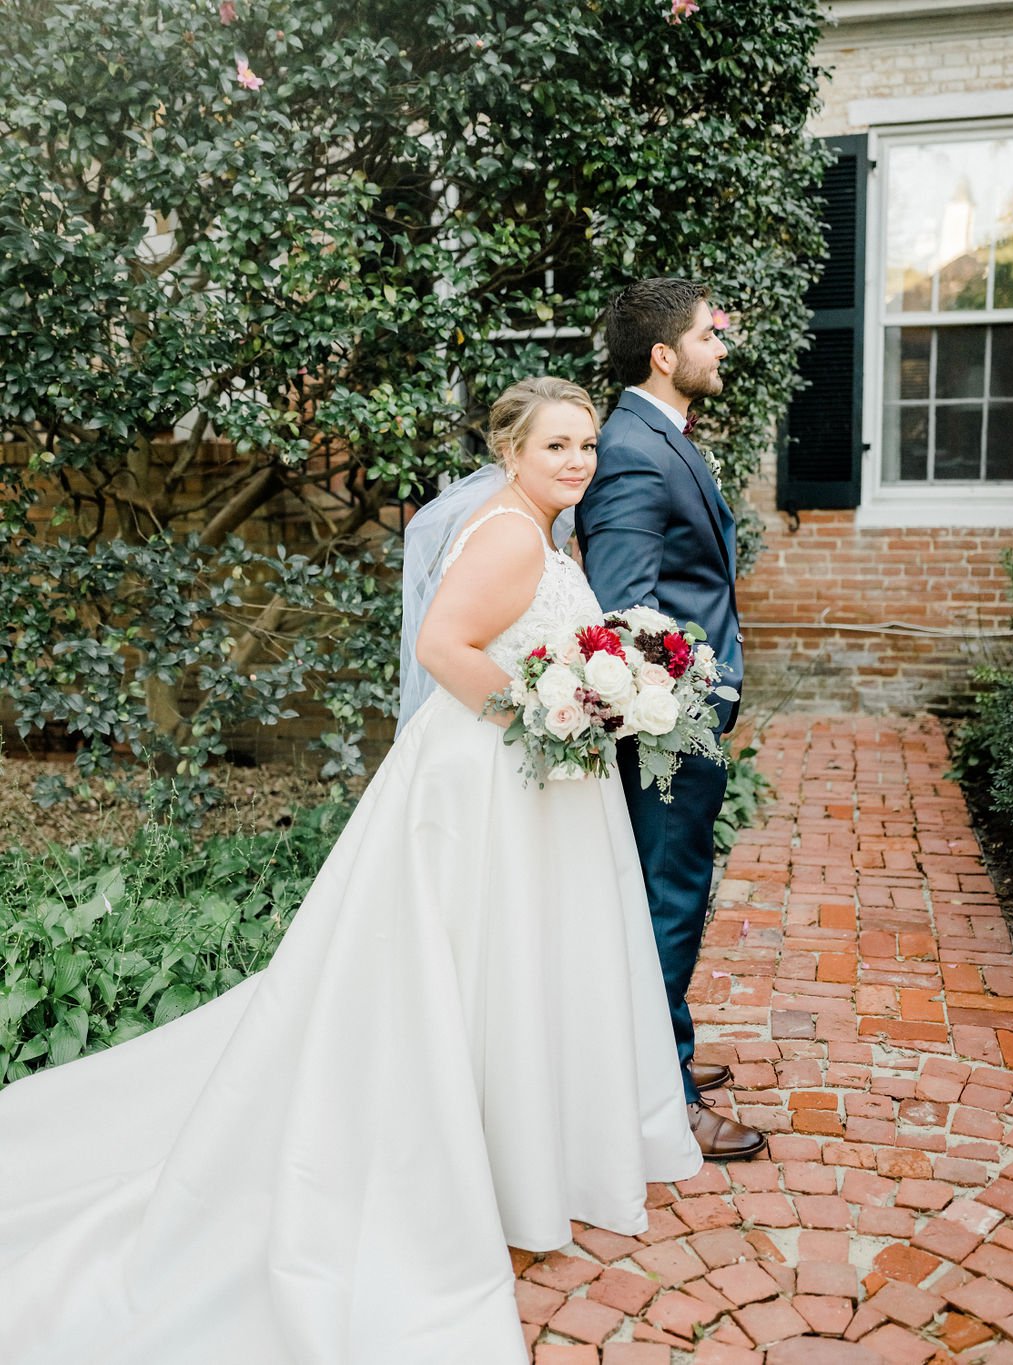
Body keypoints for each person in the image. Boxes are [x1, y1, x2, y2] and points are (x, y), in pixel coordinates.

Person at [0, 376, 702, 1365]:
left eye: (586, 444)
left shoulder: (534, 531)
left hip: (518, 777)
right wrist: (550, 715)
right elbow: (442, 646)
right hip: (491, 780)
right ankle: (474, 1165)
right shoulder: (508, 535)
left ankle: (507, 1149)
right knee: (471, 963)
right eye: (557, 446)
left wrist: (601, 688)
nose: (578, 461)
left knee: (496, 966)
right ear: (511, 453)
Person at [577, 279, 766, 1160]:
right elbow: (624, 617)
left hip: (687, 718)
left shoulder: (662, 435)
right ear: (665, 355)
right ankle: (666, 1096)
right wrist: (689, 712)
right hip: (666, 737)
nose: (721, 347)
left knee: (668, 903)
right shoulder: (633, 451)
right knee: (667, 904)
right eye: (708, 335)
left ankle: (665, 1043)